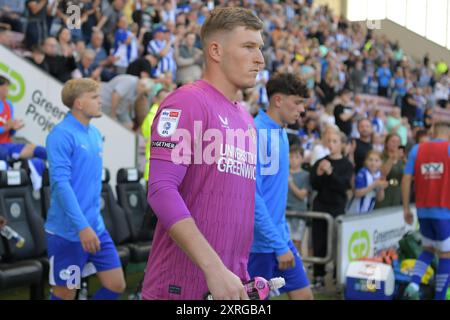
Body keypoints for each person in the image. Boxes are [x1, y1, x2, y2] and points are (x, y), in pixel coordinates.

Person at [142, 7, 264, 300]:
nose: (260, 59)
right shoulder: (186, 102)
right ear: (215, 51)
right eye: (248, 47)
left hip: (229, 286)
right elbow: (160, 189)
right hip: (180, 288)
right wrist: (214, 267)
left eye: (260, 48)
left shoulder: (246, 119)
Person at [45, 78, 126, 300]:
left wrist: (90, 225)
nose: (101, 101)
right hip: (68, 234)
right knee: (65, 294)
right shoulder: (61, 135)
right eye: (94, 97)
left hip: (96, 228)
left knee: (116, 285)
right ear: (79, 103)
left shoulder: (94, 134)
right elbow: (61, 186)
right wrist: (81, 227)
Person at [248, 73, 313, 300]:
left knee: (305, 296)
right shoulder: (255, 132)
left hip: (279, 237)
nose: (301, 110)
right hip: (258, 245)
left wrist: (282, 239)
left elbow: (274, 195)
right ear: (277, 100)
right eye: (296, 103)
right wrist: (278, 244)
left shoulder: (282, 132)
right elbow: (253, 198)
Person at [402, 121, 450, 300]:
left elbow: (406, 179)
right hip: (445, 210)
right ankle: (440, 296)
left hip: (423, 210)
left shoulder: (417, 150)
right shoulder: (449, 149)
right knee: (446, 254)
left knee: (428, 249)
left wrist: (406, 208)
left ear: (433, 132)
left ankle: (413, 284)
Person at [310, 129, 353, 288]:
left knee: (337, 243)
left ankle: (337, 275)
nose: (331, 144)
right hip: (321, 206)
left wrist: (330, 172)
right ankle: (318, 276)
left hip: (337, 207)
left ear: (342, 144)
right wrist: (320, 173)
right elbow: (314, 185)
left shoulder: (347, 165)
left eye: (335, 141)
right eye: (329, 141)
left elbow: (344, 186)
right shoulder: (320, 161)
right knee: (319, 242)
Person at [0, 75, 47, 162]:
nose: (8, 89)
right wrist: (4, 128)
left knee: (40, 152)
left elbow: (10, 133)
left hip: (7, 145)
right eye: (5, 86)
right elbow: (5, 128)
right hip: (3, 149)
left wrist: (13, 128)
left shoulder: (9, 105)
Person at [286, 144, 311, 253]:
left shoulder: (305, 175)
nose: (293, 160)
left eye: (297, 157)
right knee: (285, 243)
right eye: (291, 157)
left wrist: (290, 183)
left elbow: (302, 195)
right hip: (284, 212)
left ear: (302, 159)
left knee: (296, 244)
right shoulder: (283, 172)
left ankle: (297, 267)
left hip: (298, 213)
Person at [347, 150, 388, 215]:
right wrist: (374, 185)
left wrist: (381, 188)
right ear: (366, 161)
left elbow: (380, 198)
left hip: (369, 211)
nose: (373, 163)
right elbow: (357, 193)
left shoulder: (379, 174)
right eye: (370, 160)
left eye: (376, 160)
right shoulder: (362, 173)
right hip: (356, 211)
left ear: (381, 162)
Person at [376, 133, 404, 209]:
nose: (395, 144)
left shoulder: (402, 159)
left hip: (397, 192)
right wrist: (392, 158)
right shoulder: (380, 156)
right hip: (385, 191)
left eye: (398, 142)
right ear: (386, 143)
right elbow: (383, 173)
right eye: (393, 141)